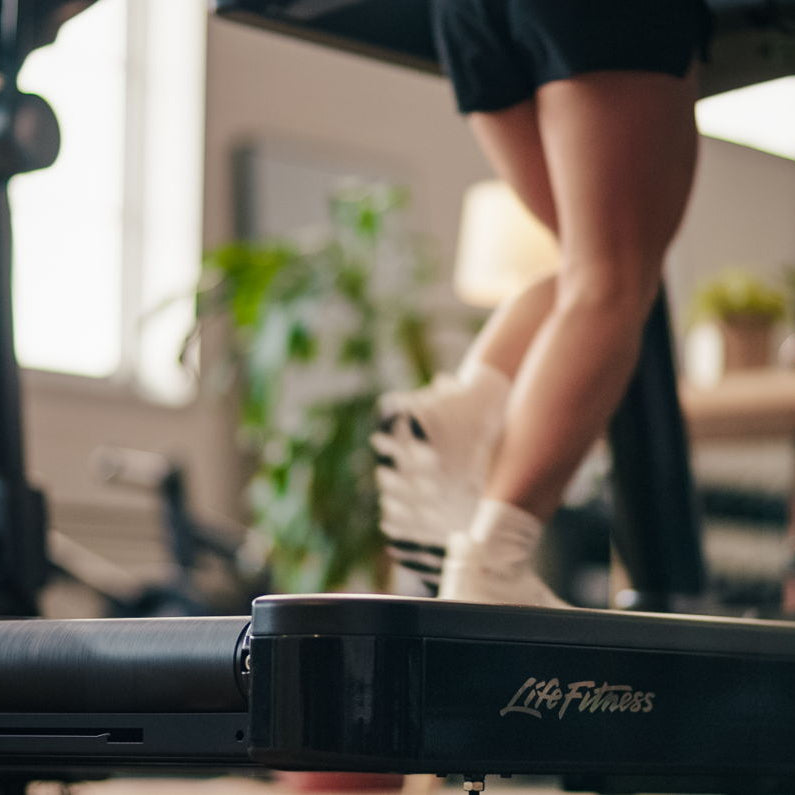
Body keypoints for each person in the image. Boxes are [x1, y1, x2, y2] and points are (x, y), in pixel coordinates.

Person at [371, 0, 714, 607]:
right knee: (611, 281)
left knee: (596, 267)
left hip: (468, 14)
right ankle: (492, 561)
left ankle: (468, 406)